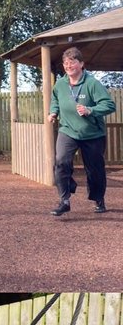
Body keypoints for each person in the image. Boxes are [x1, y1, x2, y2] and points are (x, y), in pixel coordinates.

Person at [48, 46, 116, 217]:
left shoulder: (92, 83)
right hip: (68, 130)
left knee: (94, 170)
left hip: (92, 134)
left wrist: (90, 110)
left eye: (72, 63)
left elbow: (109, 105)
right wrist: (53, 112)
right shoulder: (61, 84)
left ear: (81, 64)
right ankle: (64, 200)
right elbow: (55, 98)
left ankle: (98, 198)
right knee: (61, 161)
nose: (68, 66)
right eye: (65, 63)